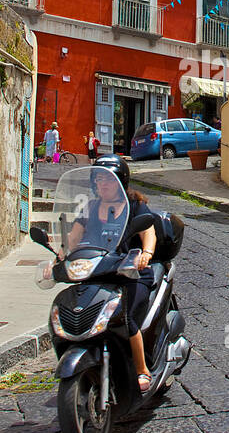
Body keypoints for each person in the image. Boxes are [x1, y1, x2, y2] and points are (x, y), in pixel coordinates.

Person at [60, 156, 157, 393]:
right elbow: (73, 238)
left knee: (124, 318)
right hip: (97, 272)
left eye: (109, 180)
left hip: (130, 274)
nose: (103, 184)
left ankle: (141, 370)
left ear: (121, 182)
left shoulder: (135, 206)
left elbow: (148, 232)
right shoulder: (91, 207)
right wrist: (59, 256)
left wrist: (146, 253)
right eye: (100, 179)